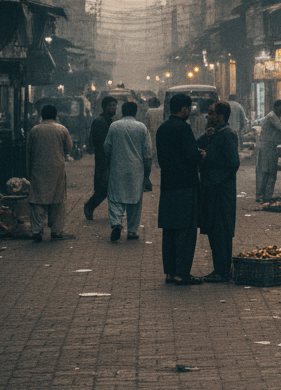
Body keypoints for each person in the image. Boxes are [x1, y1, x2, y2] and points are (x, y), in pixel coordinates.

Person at [156, 92, 203, 286]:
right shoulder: (184, 128)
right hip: (185, 186)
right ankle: (182, 273)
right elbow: (191, 155)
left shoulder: (162, 129)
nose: (189, 112)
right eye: (189, 109)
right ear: (184, 109)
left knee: (169, 230)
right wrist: (200, 154)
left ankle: (170, 272)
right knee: (185, 230)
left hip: (168, 186)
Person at [196, 101, 241, 282]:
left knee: (221, 229)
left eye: (211, 114)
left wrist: (209, 158)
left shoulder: (227, 134)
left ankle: (222, 270)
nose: (208, 117)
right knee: (214, 230)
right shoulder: (215, 133)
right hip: (212, 188)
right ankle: (219, 269)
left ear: (220, 116)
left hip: (222, 191)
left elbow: (233, 163)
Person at [102, 100, 152, 242]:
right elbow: (148, 153)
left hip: (117, 167)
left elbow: (107, 147)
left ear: (122, 111)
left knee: (115, 198)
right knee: (135, 200)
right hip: (136, 169)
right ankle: (131, 231)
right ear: (135, 112)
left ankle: (117, 223)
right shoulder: (142, 127)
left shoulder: (114, 126)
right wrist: (147, 175)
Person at [26, 104, 73, 242]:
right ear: (55, 115)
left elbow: (29, 152)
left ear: (42, 115)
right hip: (57, 169)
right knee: (57, 200)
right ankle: (56, 231)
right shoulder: (62, 129)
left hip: (37, 169)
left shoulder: (34, 130)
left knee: (37, 200)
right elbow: (68, 148)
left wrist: (28, 172)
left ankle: (37, 231)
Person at [255, 99, 281, 202]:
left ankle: (266, 196)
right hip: (266, 147)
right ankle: (262, 196)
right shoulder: (272, 116)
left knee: (270, 172)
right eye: (280, 109)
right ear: (275, 107)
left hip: (271, 147)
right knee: (265, 172)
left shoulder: (277, 117)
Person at [83, 95, 117, 219]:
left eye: (114, 106)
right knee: (103, 187)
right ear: (104, 107)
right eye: (110, 106)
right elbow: (102, 144)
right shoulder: (100, 121)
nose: (113, 108)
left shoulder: (109, 121)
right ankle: (90, 206)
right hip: (103, 160)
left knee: (107, 188)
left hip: (108, 160)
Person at [144, 97, 164, 167]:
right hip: (161, 133)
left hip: (152, 133)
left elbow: (146, 124)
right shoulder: (162, 111)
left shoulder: (149, 112)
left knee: (153, 148)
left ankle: (155, 162)